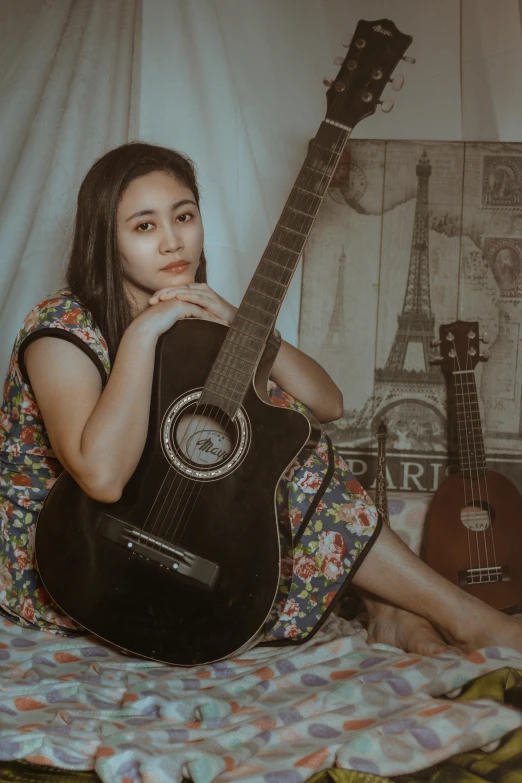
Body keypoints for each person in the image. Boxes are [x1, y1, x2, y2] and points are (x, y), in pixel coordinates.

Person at [0, 142, 521, 660]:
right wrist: (142, 333)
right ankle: (463, 618)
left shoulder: (197, 323)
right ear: (104, 241)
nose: (172, 242)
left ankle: (392, 612)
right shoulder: (60, 328)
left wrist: (236, 319)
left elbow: (327, 401)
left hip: (162, 531)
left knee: (285, 437)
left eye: (183, 216)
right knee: (297, 470)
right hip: (68, 559)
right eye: (144, 226)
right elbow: (102, 477)